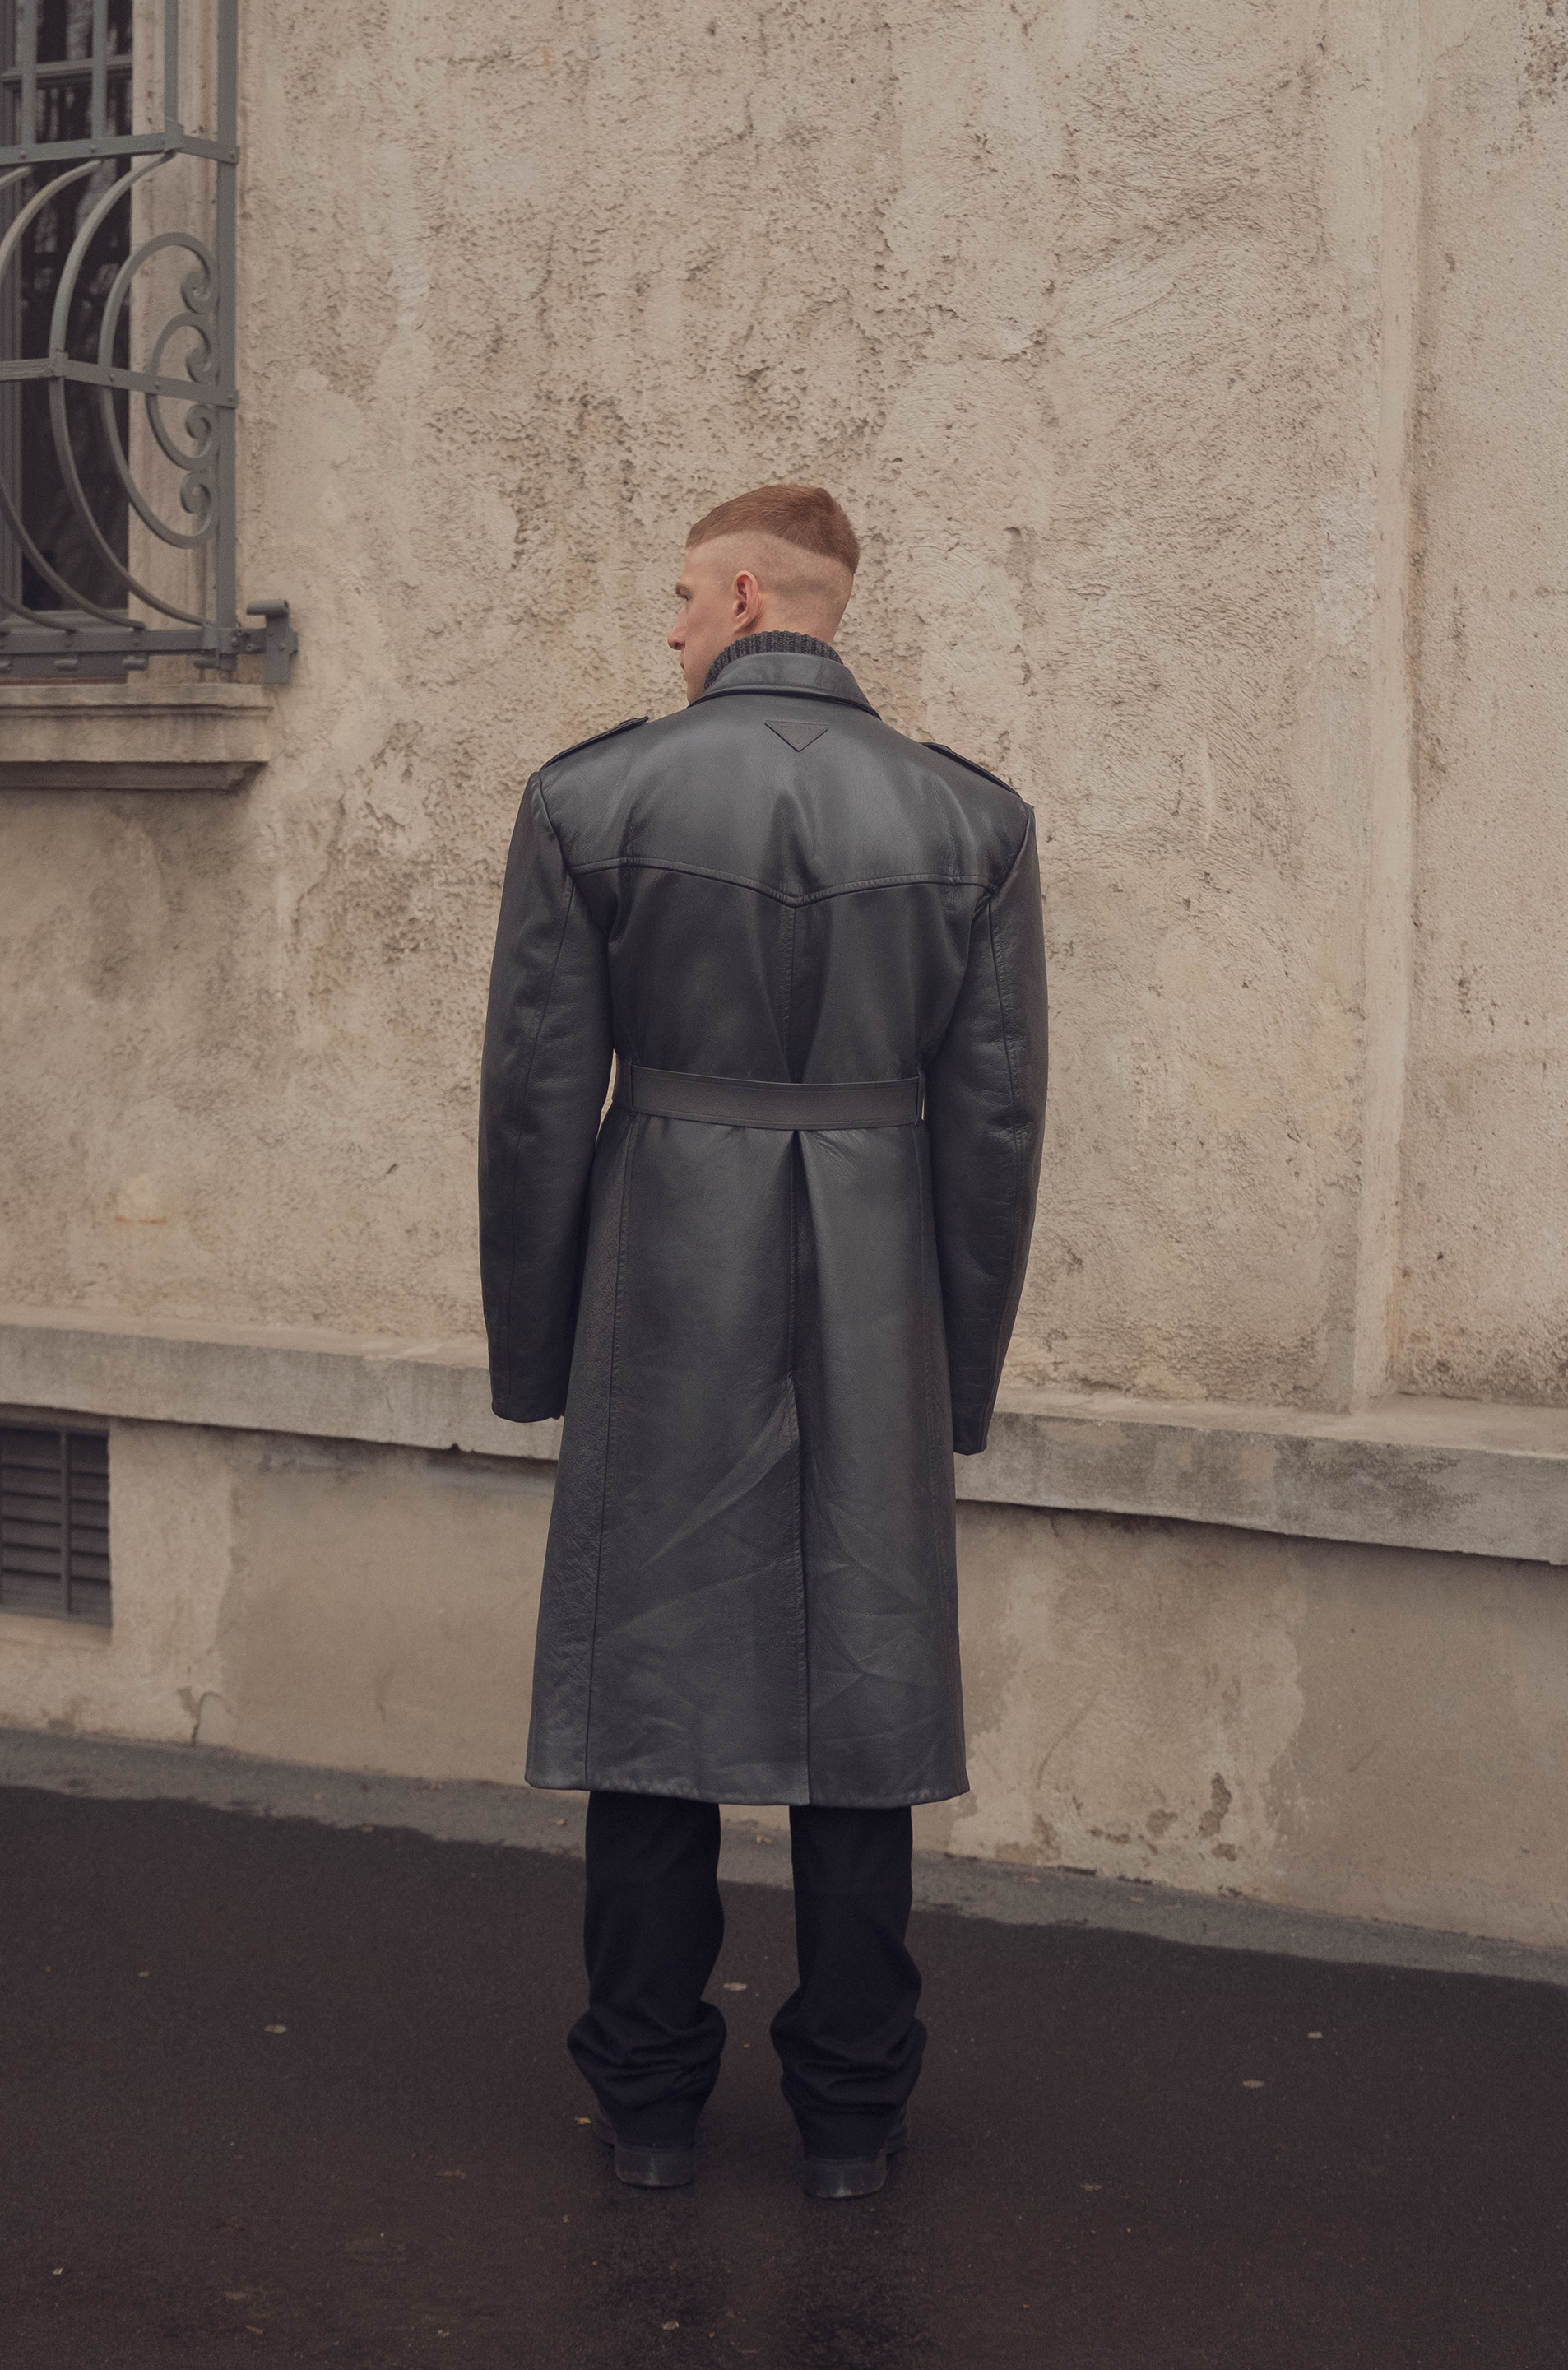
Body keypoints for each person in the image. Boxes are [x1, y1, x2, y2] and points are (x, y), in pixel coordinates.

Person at [479, 482, 1046, 2198]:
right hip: (877, 1275)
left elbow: (535, 1101)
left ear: (742, 597)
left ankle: (650, 2105)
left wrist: (536, 1355)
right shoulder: (972, 819)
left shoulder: (591, 797)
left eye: (678, 595)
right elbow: (995, 1123)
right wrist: (959, 1372)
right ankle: (852, 2119)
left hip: (663, 1262)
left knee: (648, 1690)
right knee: (856, 1697)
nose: (666, 628)